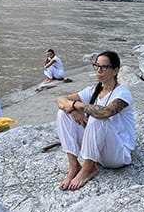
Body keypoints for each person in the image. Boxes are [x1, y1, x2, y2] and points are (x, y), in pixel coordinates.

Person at [55, 51, 135, 190]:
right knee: (63, 114)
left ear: (115, 71)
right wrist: (73, 110)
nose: (99, 70)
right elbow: (60, 99)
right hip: (98, 150)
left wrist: (77, 105)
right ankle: (74, 165)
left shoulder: (122, 92)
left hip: (117, 153)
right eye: (96, 66)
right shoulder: (93, 90)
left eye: (104, 67)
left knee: (98, 119)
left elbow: (106, 112)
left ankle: (88, 168)